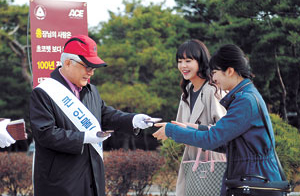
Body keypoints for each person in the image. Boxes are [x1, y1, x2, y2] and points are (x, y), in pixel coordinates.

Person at [29, 34, 152, 196]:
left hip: (92, 178)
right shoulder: (43, 93)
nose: (91, 72)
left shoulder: (91, 90)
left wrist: (133, 120)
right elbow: (45, 134)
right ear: (67, 63)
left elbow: (106, 115)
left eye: (94, 68)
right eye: (87, 66)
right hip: (61, 182)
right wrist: (84, 137)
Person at [153, 44, 283, 196]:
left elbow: (213, 139)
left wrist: (171, 131)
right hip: (250, 177)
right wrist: (189, 128)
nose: (213, 78)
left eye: (214, 72)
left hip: (253, 179)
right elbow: (224, 140)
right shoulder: (245, 96)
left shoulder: (245, 100)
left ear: (229, 71)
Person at [172, 39, 226, 196]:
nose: (183, 66)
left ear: (200, 61)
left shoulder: (213, 89)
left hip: (213, 160)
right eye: (180, 61)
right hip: (192, 159)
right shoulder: (187, 90)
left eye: (188, 61)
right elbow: (181, 129)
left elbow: (224, 130)